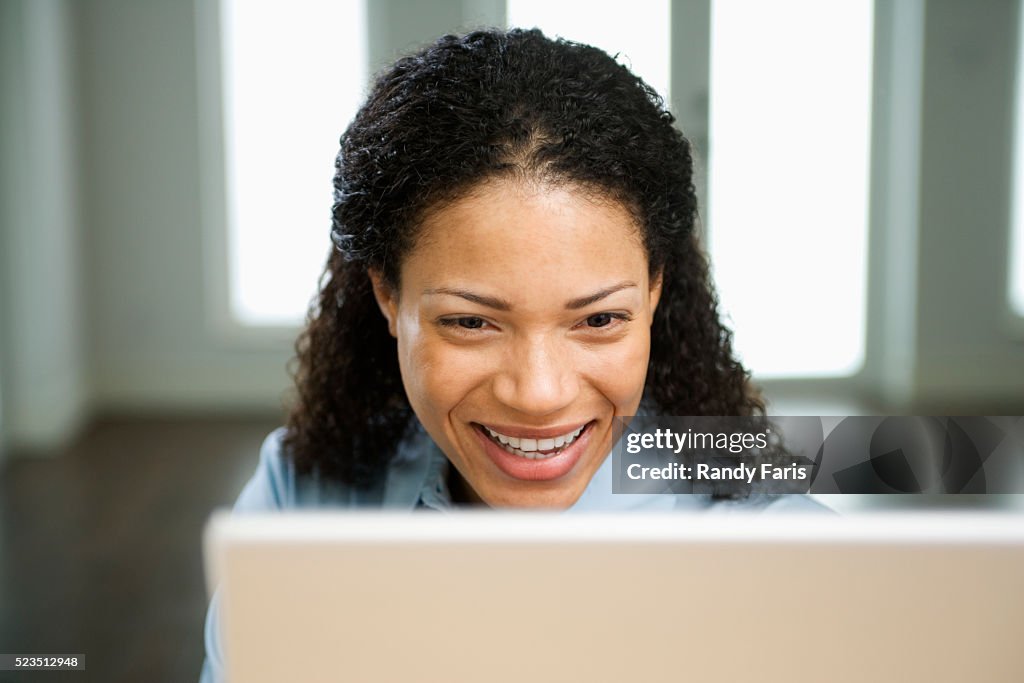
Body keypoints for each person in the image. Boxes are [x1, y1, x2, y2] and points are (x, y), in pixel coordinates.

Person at [199, 27, 828, 682]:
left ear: (654, 289)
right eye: (471, 321)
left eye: (599, 318)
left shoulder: (778, 547)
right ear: (387, 293)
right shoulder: (300, 493)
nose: (538, 393)